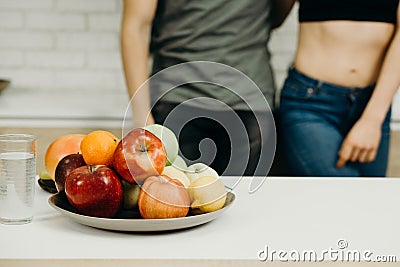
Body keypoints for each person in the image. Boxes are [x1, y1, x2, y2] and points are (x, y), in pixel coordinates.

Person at [121, 0, 294, 176]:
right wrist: (142, 116)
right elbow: (136, 27)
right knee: (176, 199)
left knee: (250, 201)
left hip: (249, 103)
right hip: (177, 99)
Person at [279, 0, 400, 176]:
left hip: (373, 104)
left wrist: (372, 120)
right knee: (347, 197)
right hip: (311, 103)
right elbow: (274, 18)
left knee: (371, 197)